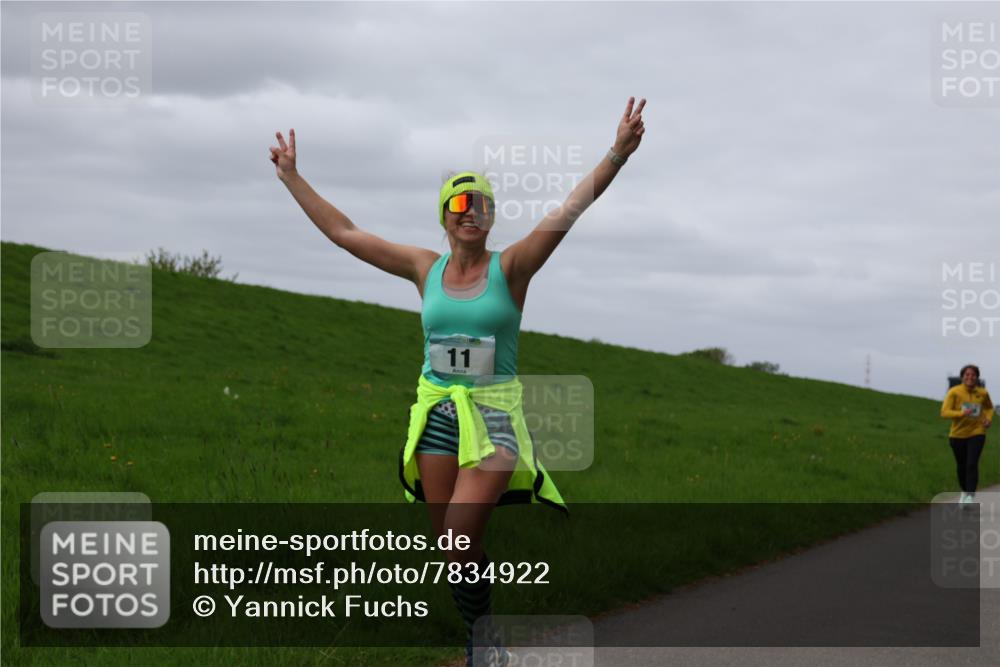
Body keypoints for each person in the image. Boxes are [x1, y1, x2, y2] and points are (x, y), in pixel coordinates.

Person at [270, 96, 646, 666]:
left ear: (490, 217)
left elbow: (567, 211)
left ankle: (483, 649)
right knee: (450, 549)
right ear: (445, 215)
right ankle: (485, 643)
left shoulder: (513, 267)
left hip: (494, 418)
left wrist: (616, 153)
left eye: (483, 205)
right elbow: (345, 233)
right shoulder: (425, 269)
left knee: (461, 535)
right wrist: (293, 178)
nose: (472, 212)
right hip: (437, 417)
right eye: (461, 203)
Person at [940, 364, 993, 506]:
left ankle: (970, 495)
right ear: (962, 377)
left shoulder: (983, 393)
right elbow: (944, 412)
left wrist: (988, 419)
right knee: (961, 465)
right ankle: (964, 491)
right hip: (957, 434)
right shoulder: (954, 392)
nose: (970, 377)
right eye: (967, 374)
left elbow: (988, 407)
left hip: (977, 432)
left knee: (971, 464)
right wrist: (961, 413)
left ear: (977, 377)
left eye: (973, 375)